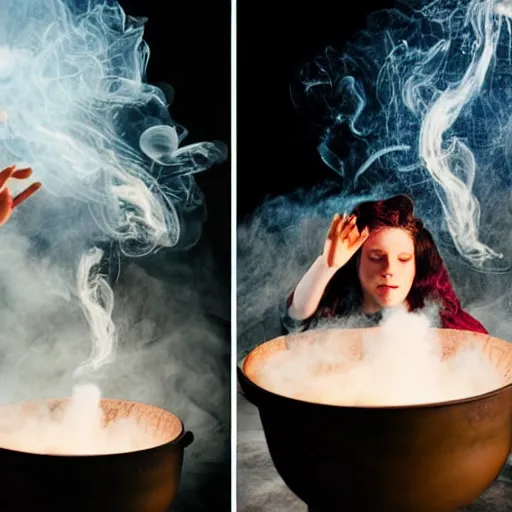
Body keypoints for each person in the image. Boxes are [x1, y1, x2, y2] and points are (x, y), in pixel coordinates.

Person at [282, 194, 488, 334]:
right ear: (356, 261)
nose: (389, 270)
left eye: (404, 259)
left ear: (417, 266)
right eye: (376, 257)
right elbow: (295, 321)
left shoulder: (441, 325)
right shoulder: (339, 317)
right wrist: (328, 265)